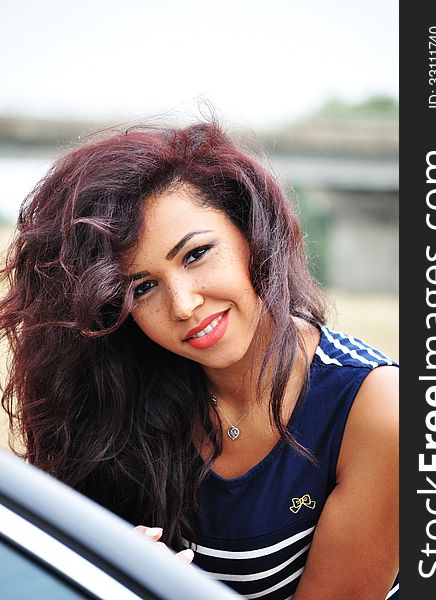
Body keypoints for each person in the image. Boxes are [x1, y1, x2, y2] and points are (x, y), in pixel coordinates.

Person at [0, 121, 398, 599]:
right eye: (142, 288)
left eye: (195, 255)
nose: (183, 304)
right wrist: (111, 566)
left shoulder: (377, 409)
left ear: (250, 232)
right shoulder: (129, 393)